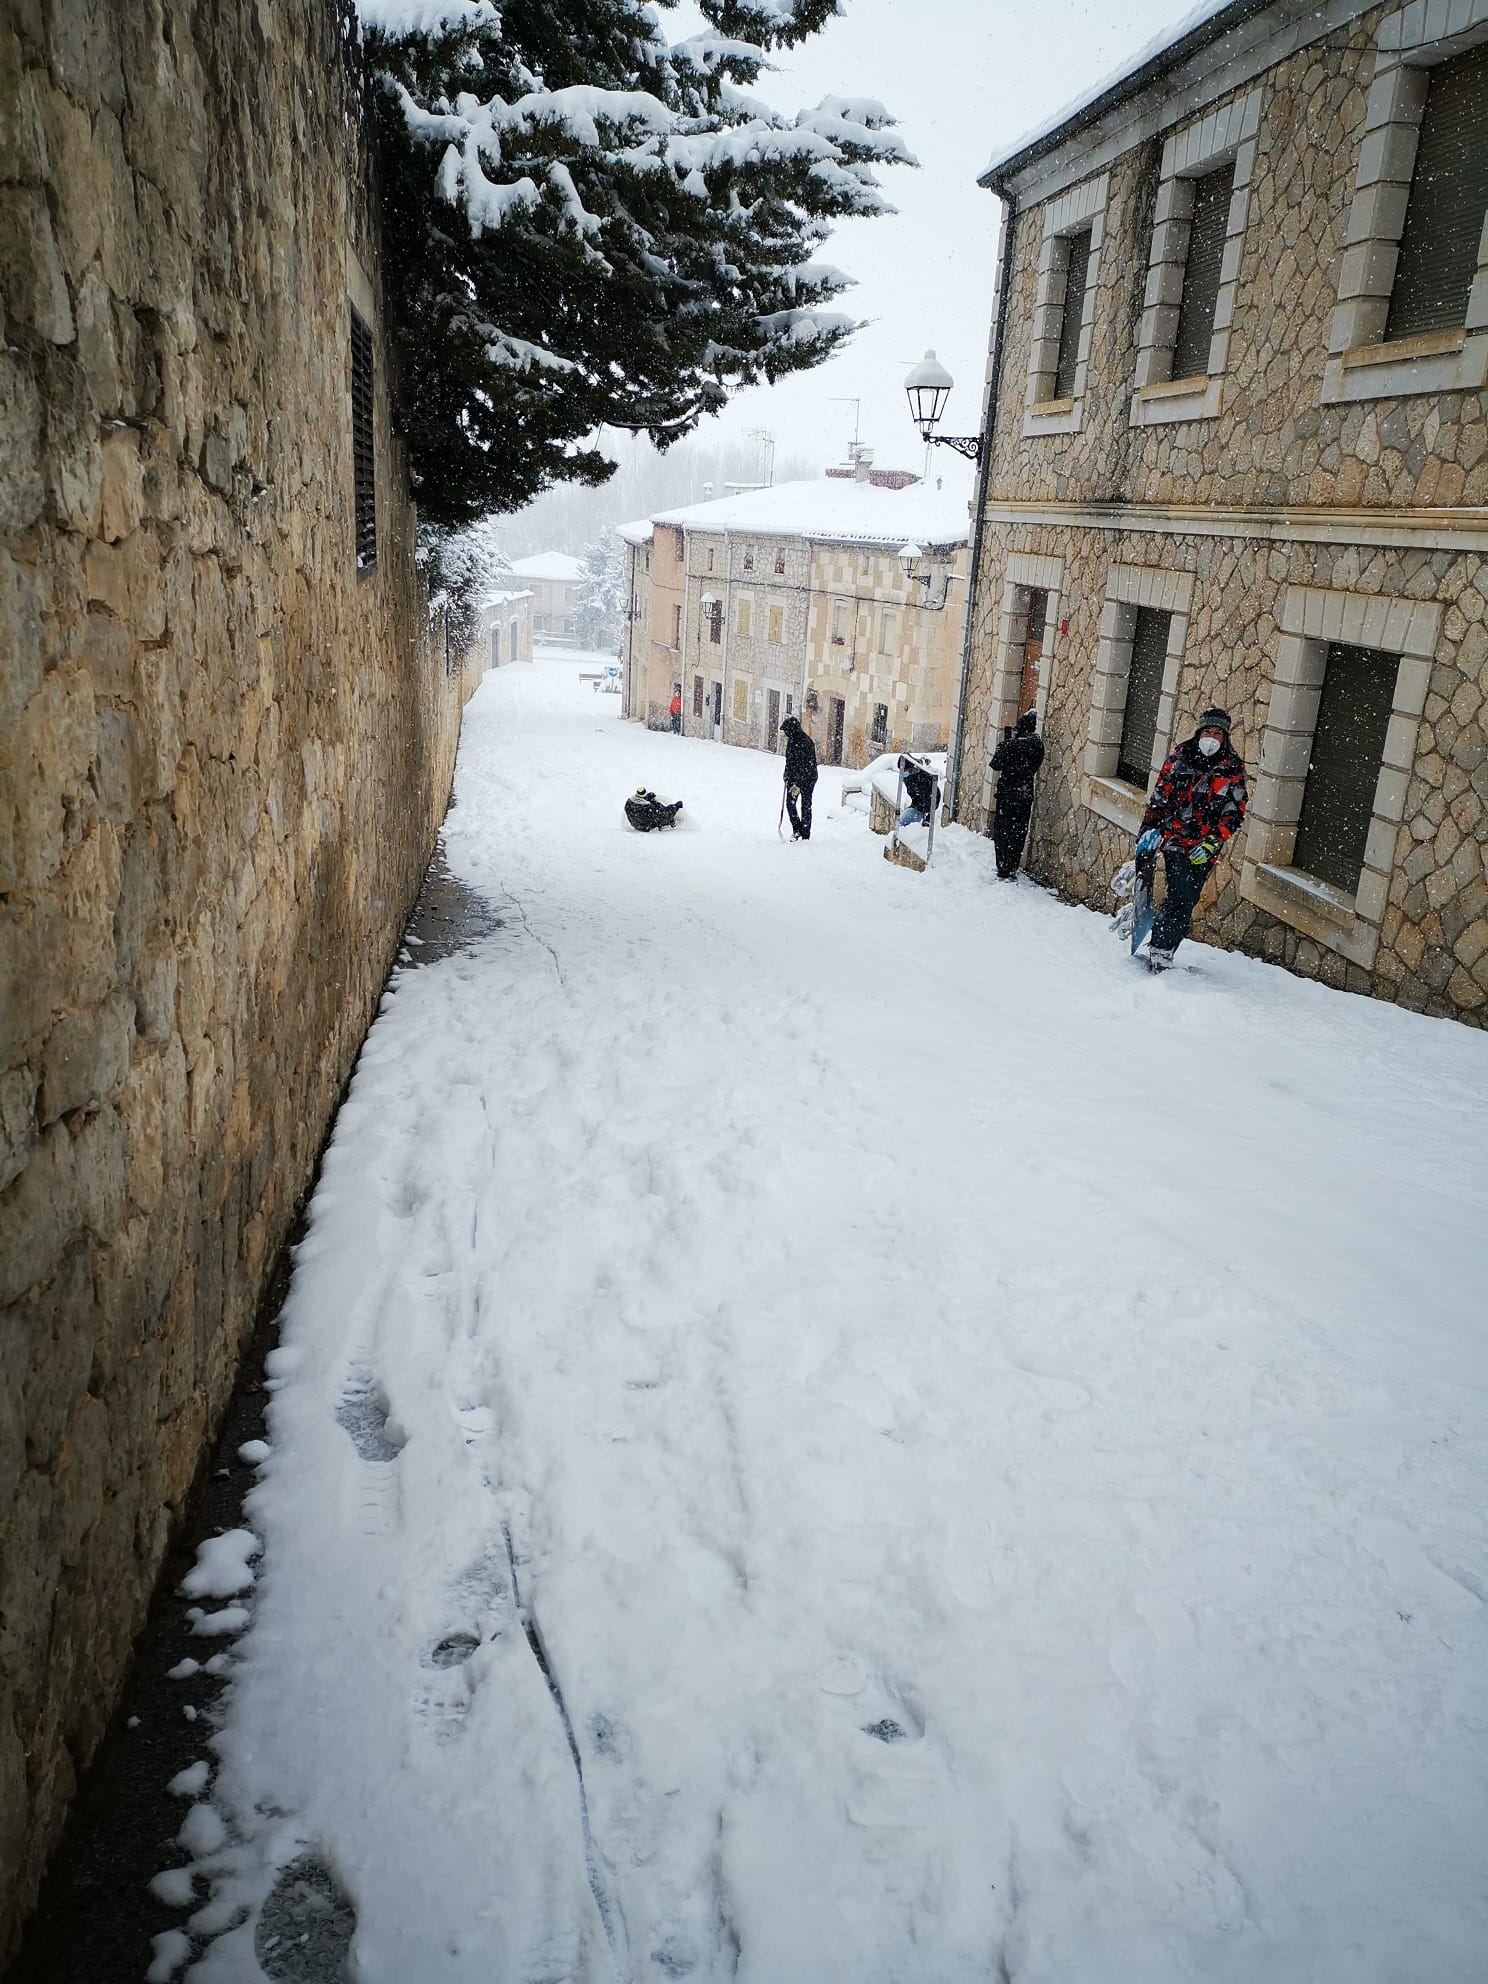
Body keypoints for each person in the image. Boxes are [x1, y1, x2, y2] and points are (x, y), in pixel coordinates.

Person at [1138, 706, 1248, 968]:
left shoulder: (1232, 769)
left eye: (1217, 733)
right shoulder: (1179, 759)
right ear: (1199, 732)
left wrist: (1213, 842)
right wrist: (1148, 831)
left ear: (1225, 737)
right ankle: (1160, 949)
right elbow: (1159, 797)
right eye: (1207, 731)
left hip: (1204, 847)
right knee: (1181, 893)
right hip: (1175, 838)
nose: (1211, 737)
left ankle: (1166, 946)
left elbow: (1234, 813)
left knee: (1187, 898)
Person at [989, 709, 1044, 879]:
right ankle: (1012, 864)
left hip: (1007, 794)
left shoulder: (1009, 746)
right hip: (1024, 794)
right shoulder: (1037, 746)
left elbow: (996, 764)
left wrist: (1007, 744)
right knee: (1019, 832)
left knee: (1003, 830)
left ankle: (1003, 866)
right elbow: (1035, 764)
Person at [780, 715, 818, 840]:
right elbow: (789, 761)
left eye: (787, 731)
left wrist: (799, 784)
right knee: (790, 804)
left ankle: (805, 834)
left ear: (792, 730)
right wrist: (786, 775)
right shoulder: (791, 741)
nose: (785, 735)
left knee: (805, 805)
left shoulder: (806, 743)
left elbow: (807, 767)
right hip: (794, 777)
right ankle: (797, 829)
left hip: (808, 779)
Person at [898, 755, 938, 826]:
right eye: (901, 771)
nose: (903, 773)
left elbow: (934, 798)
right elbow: (915, 796)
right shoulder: (908, 777)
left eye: (905, 771)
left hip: (925, 809)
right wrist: (913, 806)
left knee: (902, 825)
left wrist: (927, 817)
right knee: (901, 824)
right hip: (917, 807)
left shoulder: (924, 778)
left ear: (911, 769)